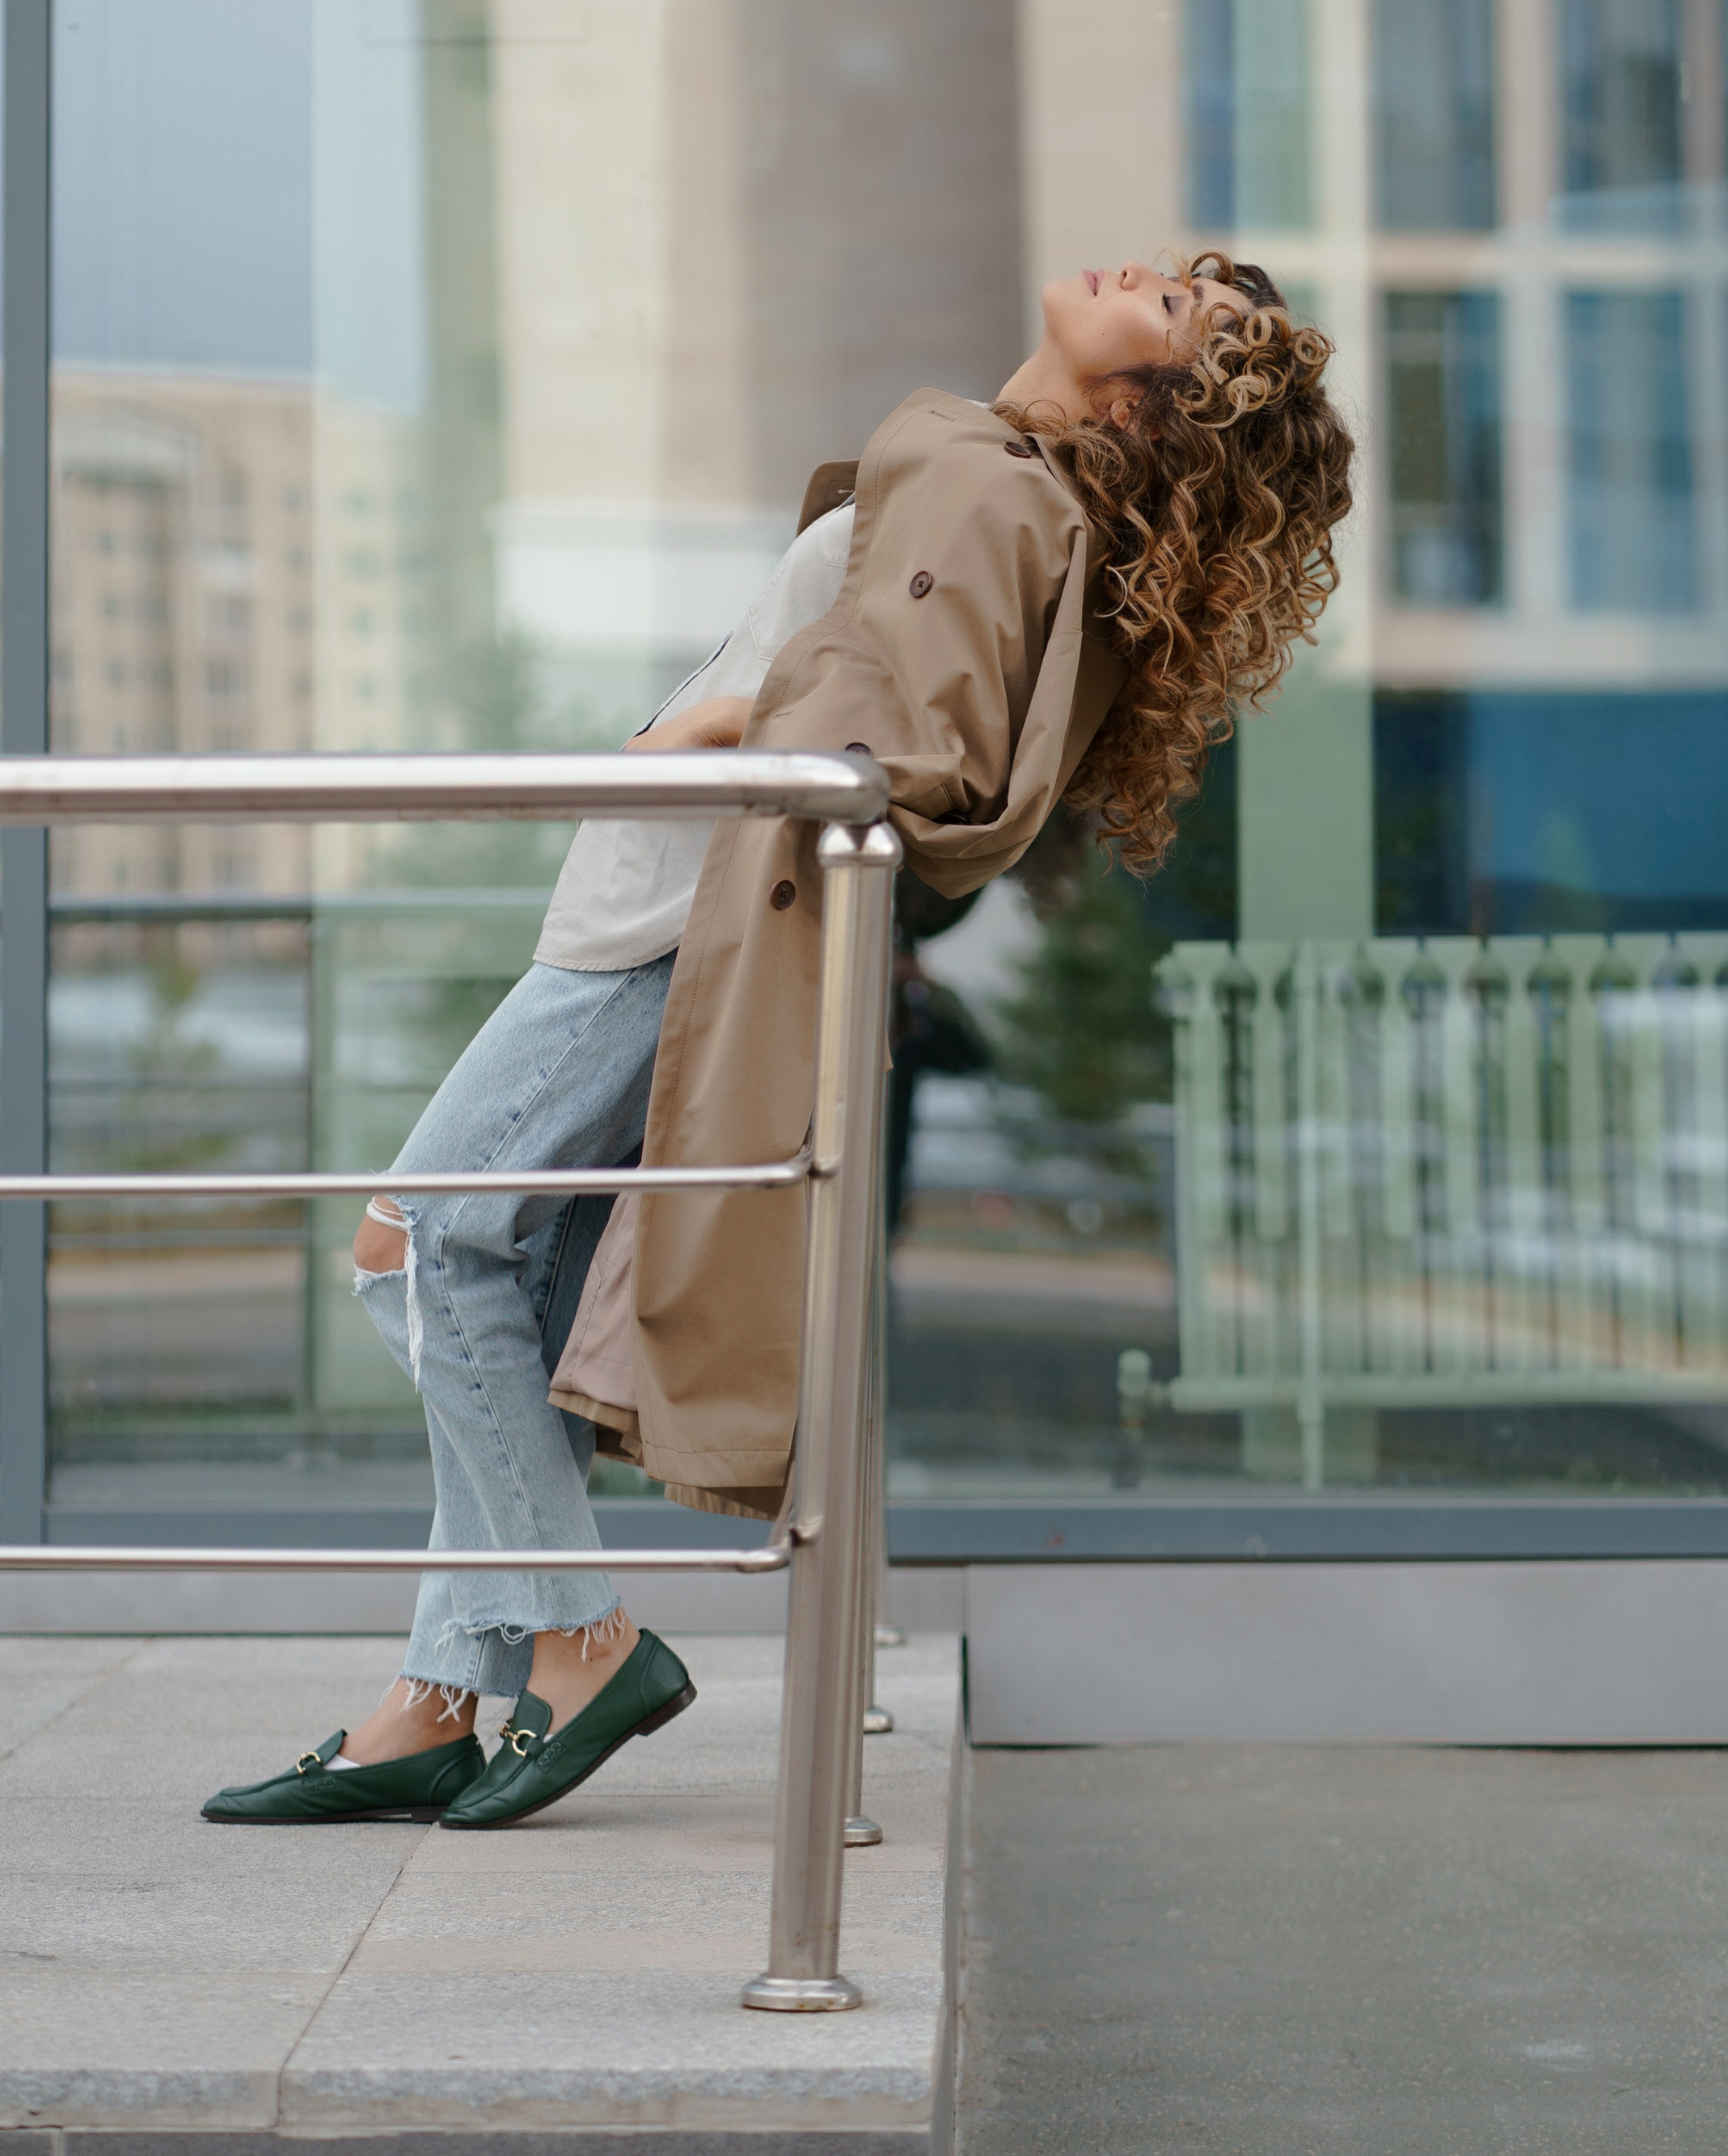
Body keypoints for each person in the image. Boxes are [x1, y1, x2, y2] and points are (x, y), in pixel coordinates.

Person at [200, 253, 1354, 1829]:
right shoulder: (1005, 484)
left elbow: (905, 748)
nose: (1140, 274)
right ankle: (434, 1699)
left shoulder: (992, 490)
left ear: (1144, 402)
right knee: (495, 1288)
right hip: (668, 904)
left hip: (677, 914)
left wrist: (704, 728)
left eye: (1173, 313)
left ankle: (577, 1638)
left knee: (424, 1251)